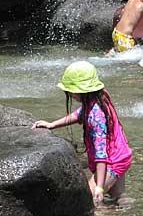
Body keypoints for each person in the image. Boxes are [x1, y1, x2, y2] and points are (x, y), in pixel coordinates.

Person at [31, 61, 133, 206]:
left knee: (92, 201)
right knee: (119, 198)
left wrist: (98, 187)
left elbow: (101, 153)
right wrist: (52, 124)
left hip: (112, 161)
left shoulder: (96, 115)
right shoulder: (99, 97)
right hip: (120, 153)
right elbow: (79, 114)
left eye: (71, 90)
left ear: (80, 90)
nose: (70, 94)